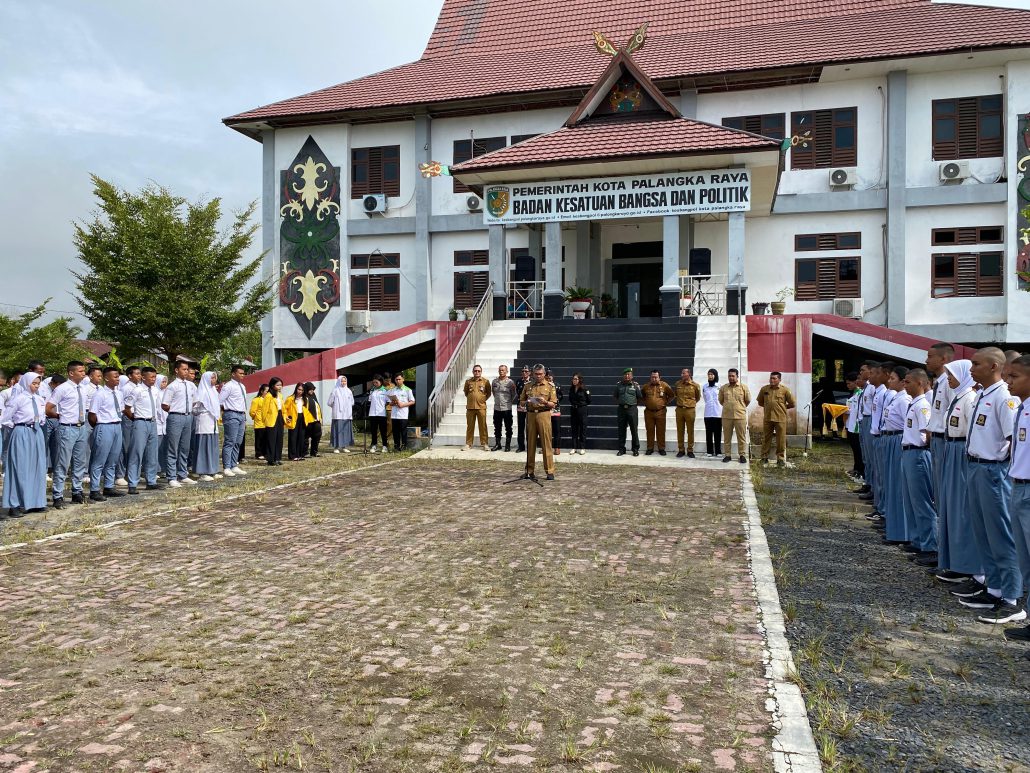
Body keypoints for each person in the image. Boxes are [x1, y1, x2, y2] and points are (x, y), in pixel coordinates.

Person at [957, 347, 1023, 624]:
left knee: (1001, 534)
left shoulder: (1005, 398)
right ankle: (993, 587)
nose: (971, 369)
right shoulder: (985, 394)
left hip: (993, 471)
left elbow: (1012, 439)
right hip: (976, 467)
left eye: (976, 364)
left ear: (995, 366)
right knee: (983, 530)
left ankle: (1011, 597)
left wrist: (1002, 470)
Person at [934, 359, 982, 585]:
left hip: (961, 452)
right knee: (950, 508)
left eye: (952, 375)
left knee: (961, 510)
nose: (949, 379)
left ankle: (966, 565)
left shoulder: (970, 399)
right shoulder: (959, 397)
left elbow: (972, 432)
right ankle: (954, 561)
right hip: (951, 449)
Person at [1002, 354, 1030, 646]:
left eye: (1015, 377)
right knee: (1026, 561)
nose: (1008, 382)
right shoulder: (1022, 409)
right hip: (1018, 486)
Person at [900, 368, 937, 564]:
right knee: (911, 499)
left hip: (918, 453)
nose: (905, 386)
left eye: (908, 382)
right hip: (908, 452)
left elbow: (927, 433)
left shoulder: (923, 405)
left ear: (920, 384)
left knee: (922, 501)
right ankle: (917, 539)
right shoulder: (914, 404)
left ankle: (930, 545)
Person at [0, 372, 47, 516]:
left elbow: (42, 416)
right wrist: (17, 427)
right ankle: (14, 504)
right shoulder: (18, 399)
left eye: (38, 383)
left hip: (36, 432)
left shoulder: (39, 399)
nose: (36, 386)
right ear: (26, 383)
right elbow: (5, 418)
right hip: (21, 432)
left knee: (37, 466)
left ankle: (34, 501)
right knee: (19, 467)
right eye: (34, 383)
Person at [45, 361, 90, 509]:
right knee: (63, 462)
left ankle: (77, 491)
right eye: (81, 371)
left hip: (81, 427)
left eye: (84, 371)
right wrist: (60, 417)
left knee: (80, 461)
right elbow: (49, 408)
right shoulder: (62, 388)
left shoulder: (83, 388)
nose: (83, 373)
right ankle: (58, 495)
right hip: (67, 428)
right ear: (71, 373)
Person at [879, 364, 911, 543]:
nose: (889, 381)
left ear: (903, 381)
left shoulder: (904, 400)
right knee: (891, 484)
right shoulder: (896, 398)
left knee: (899, 486)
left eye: (893, 379)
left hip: (898, 440)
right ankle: (894, 529)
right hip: (890, 439)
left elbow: (910, 425)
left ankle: (902, 533)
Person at [88, 367, 128, 501]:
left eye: (118, 376)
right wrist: (100, 426)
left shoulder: (119, 393)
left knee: (113, 459)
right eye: (115, 376)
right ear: (106, 378)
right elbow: (92, 415)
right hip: (104, 426)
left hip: (117, 425)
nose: (117, 379)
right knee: (99, 459)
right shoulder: (100, 394)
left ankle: (109, 486)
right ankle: (94, 489)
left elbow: (121, 409)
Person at [926, 343, 956, 516]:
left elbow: (952, 413)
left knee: (944, 488)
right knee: (937, 486)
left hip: (944, 438)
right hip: (936, 438)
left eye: (930, 356)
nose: (926, 360)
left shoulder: (950, 382)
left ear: (943, 359)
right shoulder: (940, 381)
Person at [123, 366, 163, 494]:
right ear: (143, 377)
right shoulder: (137, 390)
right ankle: (132, 483)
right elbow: (127, 408)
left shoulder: (155, 390)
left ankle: (151, 481)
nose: (153, 379)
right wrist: (135, 419)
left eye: (155, 377)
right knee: (136, 453)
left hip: (152, 422)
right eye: (151, 377)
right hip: (141, 422)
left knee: (152, 453)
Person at [162, 361, 198, 488]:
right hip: (176, 417)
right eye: (184, 369)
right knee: (173, 447)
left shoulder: (191, 385)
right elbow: (165, 404)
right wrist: (176, 411)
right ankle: (171, 476)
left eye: (187, 369)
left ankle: (182, 474)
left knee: (185, 447)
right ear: (177, 370)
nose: (186, 372)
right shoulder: (172, 386)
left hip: (188, 416)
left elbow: (194, 401)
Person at [520, 363, 557, 480]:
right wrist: (527, 401)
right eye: (536, 374)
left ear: (544, 374)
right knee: (530, 443)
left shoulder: (550, 386)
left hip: (544, 415)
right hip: (531, 415)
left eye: (540, 374)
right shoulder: (528, 386)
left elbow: (553, 404)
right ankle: (529, 470)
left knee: (546, 443)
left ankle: (549, 471)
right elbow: (521, 401)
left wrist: (545, 402)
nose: (538, 376)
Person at [757, 372, 796, 466]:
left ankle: (781, 458)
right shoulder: (764, 389)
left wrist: (782, 407)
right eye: (771, 378)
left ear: (779, 380)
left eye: (774, 378)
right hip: (768, 418)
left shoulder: (785, 390)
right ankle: (764, 457)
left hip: (780, 418)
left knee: (781, 439)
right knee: (766, 438)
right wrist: (768, 406)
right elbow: (760, 402)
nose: (772, 380)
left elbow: (792, 403)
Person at [190, 371, 222, 482]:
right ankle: (202, 471)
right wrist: (202, 411)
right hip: (204, 421)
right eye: (212, 378)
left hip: (212, 421)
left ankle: (212, 470)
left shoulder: (214, 391)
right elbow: (194, 408)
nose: (214, 380)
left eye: (215, 378)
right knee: (204, 445)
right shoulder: (202, 392)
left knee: (212, 445)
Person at [219, 365, 249, 477]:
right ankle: (226, 466)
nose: (242, 375)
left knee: (238, 441)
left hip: (241, 414)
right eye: (240, 373)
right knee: (230, 441)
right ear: (233, 374)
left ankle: (233, 464)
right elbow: (220, 400)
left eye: (243, 373)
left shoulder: (242, 386)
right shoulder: (228, 386)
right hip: (231, 413)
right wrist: (226, 411)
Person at [719, 368, 751, 463]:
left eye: (733, 376)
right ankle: (727, 455)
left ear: (737, 376)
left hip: (740, 416)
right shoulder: (724, 388)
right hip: (727, 416)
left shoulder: (743, 387)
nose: (731, 378)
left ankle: (742, 455)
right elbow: (721, 400)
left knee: (741, 437)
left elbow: (748, 400)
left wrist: (739, 407)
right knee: (727, 437)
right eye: (729, 376)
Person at [641, 370, 674, 456]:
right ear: (650, 377)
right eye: (652, 377)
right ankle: (650, 448)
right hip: (649, 412)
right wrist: (647, 403)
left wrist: (665, 403)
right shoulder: (646, 386)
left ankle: (661, 448)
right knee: (650, 430)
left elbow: (672, 395)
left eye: (656, 377)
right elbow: (641, 396)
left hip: (661, 412)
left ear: (660, 377)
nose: (654, 379)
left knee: (661, 430)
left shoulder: (665, 385)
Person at [613, 368, 643, 457]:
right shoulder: (619, 385)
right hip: (621, 409)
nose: (627, 376)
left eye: (628, 374)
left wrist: (633, 405)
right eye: (625, 374)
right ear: (623, 376)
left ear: (631, 376)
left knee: (634, 430)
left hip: (632, 409)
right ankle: (621, 449)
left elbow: (640, 397)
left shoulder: (635, 385)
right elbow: (615, 396)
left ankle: (635, 449)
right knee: (621, 430)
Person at [673, 368, 701, 459]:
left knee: (690, 431)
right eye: (681, 373)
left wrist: (690, 404)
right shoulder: (677, 384)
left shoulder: (695, 385)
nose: (682, 375)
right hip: (680, 410)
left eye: (683, 373)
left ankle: (690, 450)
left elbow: (697, 397)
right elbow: (675, 394)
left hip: (690, 410)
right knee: (680, 430)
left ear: (689, 374)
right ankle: (681, 449)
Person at [463, 365, 491, 451]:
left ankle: (485, 444)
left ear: (481, 372)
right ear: (473, 372)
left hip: (481, 407)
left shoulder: (485, 381)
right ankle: (468, 444)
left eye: (479, 371)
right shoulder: (468, 382)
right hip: (470, 407)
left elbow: (488, 393)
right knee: (470, 426)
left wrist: (482, 399)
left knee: (483, 426)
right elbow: (466, 392)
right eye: (475, 371)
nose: (477, 372)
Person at [843, 371, 865, 482]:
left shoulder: (860, 393)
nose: (848, 386)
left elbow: (857, 410)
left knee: (858, 450)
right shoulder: (853, 393)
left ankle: (860, 470)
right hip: (850, 424)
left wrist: (846, 410)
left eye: (849, 383)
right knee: (854, 449)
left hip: (856, 425)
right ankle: (856, 468)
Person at [491, 365, 517, 452]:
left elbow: (513, 394)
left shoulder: (510, 382)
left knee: (508, 427)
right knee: (497, 427)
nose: (501, 371)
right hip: (497, 408)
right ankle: (498, 444)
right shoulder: (494, 382)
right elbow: (494, 393)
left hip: (506, 408)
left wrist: (507, 402)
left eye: (503, 370)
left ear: (507, 371)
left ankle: (507, 445)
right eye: (500, 370)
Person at [261, 378, 285, 465]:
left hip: (280, 417)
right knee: (271, 439)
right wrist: (265, 420)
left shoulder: (280, 395)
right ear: (272, 385)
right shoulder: (268, 396)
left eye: (280, 385)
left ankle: (277, 458)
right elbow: (264, 410)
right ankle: (270, 459)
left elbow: (283, 408)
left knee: (279, 438)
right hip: (271, 419)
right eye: (277, 385)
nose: (279, 387)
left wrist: (285, 418)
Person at [387, 374, 415, 452]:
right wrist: (392, 403)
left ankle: (404, 446)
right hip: (394, 414)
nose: (398, 381)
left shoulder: (407, 389)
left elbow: (412, 401)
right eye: (396, 379)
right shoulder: (392, 390)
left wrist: (403, 404)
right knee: (395, 431)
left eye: (399, 379)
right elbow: (389, 402)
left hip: (403, 414)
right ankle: (396, 446)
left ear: (403, 379)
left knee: (403, 431)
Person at [327, 376, 354, 453]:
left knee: (345, 430)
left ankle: (344, 446)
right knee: (337, 430)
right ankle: (336, 447)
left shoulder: (349, 391)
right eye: (342, 381)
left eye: (345, 381)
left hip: (346, 414)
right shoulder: (335, 391)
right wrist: (336, 407)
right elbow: (329, 402)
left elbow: (352, 402)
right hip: (338, 414)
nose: (343, 383)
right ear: (339, 381)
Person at [568, 373, 591, 455]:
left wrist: (581, 404)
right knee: (574, 429)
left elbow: (589, 400)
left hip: (582, 410)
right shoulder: (571, 388)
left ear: (579, 380)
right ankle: (574, 447)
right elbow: (570, 399)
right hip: (573, 410)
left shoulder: (585, 389)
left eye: (576, 379)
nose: (574, 380)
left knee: (582, 429)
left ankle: (582, 447)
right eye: (573, 379)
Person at [285, 383, 307, 461]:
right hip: (294, 418)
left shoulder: (304, 399)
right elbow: (285, 409)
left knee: (301, 437)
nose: (300, 391)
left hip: (302, 418)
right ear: (296, 389)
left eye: (302, 390)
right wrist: (287, 418)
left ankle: (299, 454)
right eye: (299, 389)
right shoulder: (290, 398)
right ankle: (292, 455)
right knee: (293, 437)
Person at [702, 369, 722, 458]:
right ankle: (709, 451)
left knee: (718, 433)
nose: (710, 376)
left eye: (712, 374)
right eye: (709, 374)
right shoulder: (704, 387)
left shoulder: (720, 387)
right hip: (708, 413)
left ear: (715, 375)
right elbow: (705, 398)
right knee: (708, 433)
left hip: (718, 413)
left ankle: (718, 451)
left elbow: (721, 399)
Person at [367, 375, 389, 453]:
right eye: (374, 382)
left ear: (381, 382)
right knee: (373, 430)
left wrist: (382, 406)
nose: (375, 384)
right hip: (372, 413)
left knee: (383, 430)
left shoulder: (385, 391)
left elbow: (388, 402)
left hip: (381, 413)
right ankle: (374, 445)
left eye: (376, 382)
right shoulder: (372, 390)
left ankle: (385, 445)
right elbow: (369, 400)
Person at [301, 382, 324, 457]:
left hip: (316, 420)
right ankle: (305, 452)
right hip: (308, 420)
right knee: (306, 436)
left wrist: (320, 418)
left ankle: (314, 452)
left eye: (313, 389)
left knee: (317, 436)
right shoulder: (304, 397)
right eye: (310, 390)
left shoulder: (314, 396)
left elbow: (317, 407)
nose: (312, 391)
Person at [546, 369, 564, 455]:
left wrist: (554, 401)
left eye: (550, 375)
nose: (549, 376)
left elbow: (561, 396)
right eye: (547, 375)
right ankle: (546, 448)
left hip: (555, 410)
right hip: (545, 411)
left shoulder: (557, 385)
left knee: (557, 430)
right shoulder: (543, 385)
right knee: (546, 431)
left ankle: (557, 448)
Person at [515, 365, 532, 453]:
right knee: (521, 427)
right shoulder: (518, 381)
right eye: (523, 371)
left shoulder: (532, 382)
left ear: (529, 372)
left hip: (530, 407)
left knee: (530, 428)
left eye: (526, 371)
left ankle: (530, 446)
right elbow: (518, 393)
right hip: (521, 407)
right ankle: (521, 446)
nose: (524, 373)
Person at [250, 384, 269, 460]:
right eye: (266, 391)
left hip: (267, 422)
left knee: (266, 439)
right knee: (259, 439)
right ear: (262, 391)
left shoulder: (269, 399)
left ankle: (265, 453)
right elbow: (252, 411)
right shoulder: (256, 400)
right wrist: (257, 417)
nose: (268, 393)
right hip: (259, 422)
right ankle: (258, 453)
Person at [155, 374, 169, 477]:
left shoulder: (167, 393)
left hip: (166, 423)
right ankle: (156, 469)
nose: (164, 384)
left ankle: (163, 468)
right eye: (162, 382)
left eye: (165, 382)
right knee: (156, 447)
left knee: (164, 448)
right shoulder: (155, 393)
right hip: (157, 423)